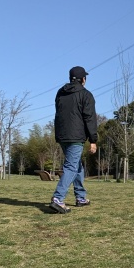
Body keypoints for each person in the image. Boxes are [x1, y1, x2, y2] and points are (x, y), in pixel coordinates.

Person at [50, 66, 98, 214]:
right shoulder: (86, 94)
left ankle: (81, 197)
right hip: (76, 136)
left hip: (62, 134)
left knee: (77, 166)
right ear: (83, 79)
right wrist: (93, 140)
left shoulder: (60, 92)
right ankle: (58, 198)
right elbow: (89, 118)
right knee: (71, 167)